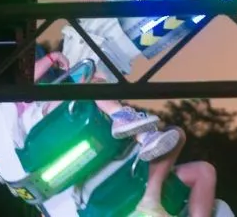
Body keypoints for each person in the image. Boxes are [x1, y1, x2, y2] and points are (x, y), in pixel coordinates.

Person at [16, 47, 184, 163]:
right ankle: (127, 122)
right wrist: (53, 56)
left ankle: (144, 137)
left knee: (96, 77)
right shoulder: (5, 90)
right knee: (92, 80)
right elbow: (24, 82)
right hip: (41, 124)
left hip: (52, 124)